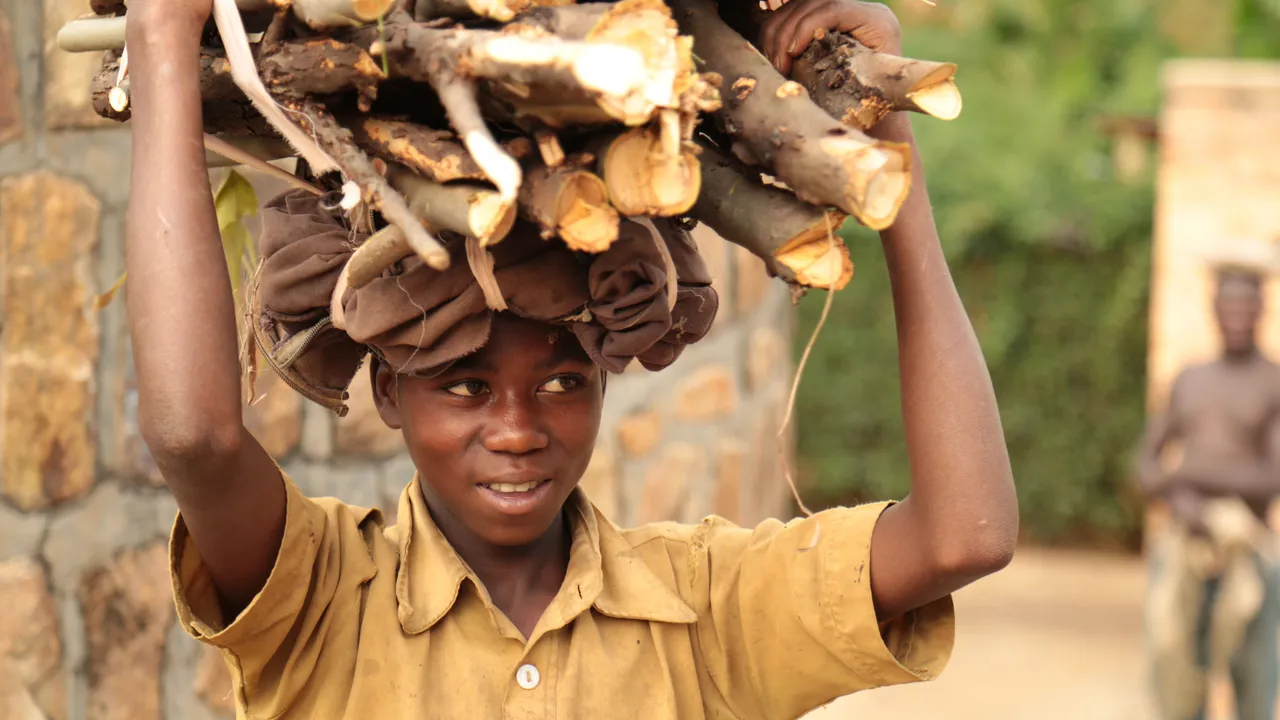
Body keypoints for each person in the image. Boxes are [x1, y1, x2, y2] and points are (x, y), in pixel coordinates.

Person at [124, 0, 1018, 717]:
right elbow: (196, 439)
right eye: (466, 387)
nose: (516, 430)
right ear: (390, 389)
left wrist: (876, 139)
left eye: (561, 382)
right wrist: (163, 35)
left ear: (602, 380)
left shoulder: (707, 612)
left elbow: (964, 536)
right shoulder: (324, 600)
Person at [1138, 267, 1280, 720]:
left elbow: (1273, 477)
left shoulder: (1272, 382)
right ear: (1214, 310)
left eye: (1246, 305)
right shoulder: (1190, 380)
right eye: (1228, 305)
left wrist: (1190, 473)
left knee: (1253, 684)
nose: (1237, 315)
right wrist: (1182, 500)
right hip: (1187, 549)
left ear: (1262, 310)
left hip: (1249, 554)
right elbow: (1146, 466)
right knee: (1179, 678)